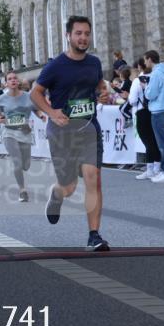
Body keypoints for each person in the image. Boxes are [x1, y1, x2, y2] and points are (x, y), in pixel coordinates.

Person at [31, 16, 111, 251]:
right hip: (62, 132)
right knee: (69, 187)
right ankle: (56, 194)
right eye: (78, 33)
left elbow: (98, 85)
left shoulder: (94, 63)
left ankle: (94, 236)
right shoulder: (55, 66)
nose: (83, 38)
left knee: (93, 179)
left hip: (88, 129)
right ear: (68, 36)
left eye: (87, 33)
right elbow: (35, 94)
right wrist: (52, 111)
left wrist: (102, 93)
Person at [0, 71, 44, 202]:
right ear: (6, 83)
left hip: (25, 131)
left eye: (15, 78)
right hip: (9, 132)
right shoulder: (2, 99)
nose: (13, 80)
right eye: (10, 79)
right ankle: (22, 190)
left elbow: (35, 109)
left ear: (18, 81)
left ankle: (21, 172)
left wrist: (41, 116)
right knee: (17, 162)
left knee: (26, 165)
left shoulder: (28, 96)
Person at [143, 49, 164, 184]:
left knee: (163, 144)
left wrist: (146, 86)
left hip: (159, 111)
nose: (145, 62)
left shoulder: (156, 74)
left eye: (145, 59)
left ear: (150, 59)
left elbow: (150, 95)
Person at [129, 58, 161, 179]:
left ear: (139, 67)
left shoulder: (137, 81)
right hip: (154, 110)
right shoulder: (156, 78)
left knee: (147, 141)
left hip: (142, 112)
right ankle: (157, 168)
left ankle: (150, 169)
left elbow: (132, 100)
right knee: (154, 139)